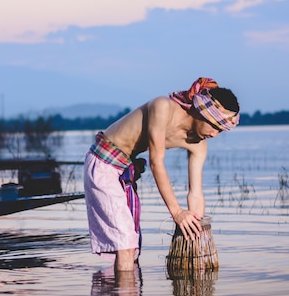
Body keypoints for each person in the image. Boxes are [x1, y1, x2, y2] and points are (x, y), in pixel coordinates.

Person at [83, 77, 240, 272]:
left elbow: (196, 193)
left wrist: (194, 224)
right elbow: (157, 161)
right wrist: (177, 212)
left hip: (124, 170)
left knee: (132, 248)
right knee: (125, 244)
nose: (215, 134)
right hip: (103, 162)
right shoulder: (162, 107)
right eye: (215, 126)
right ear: (201, 111)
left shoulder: (200, 146)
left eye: (221, 130)